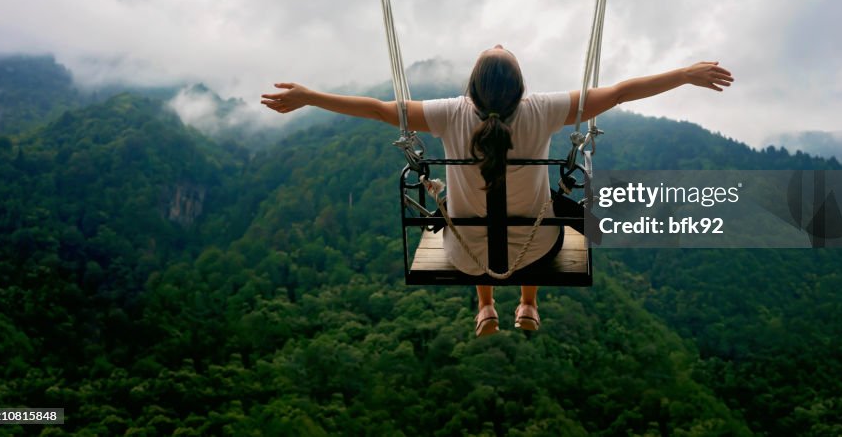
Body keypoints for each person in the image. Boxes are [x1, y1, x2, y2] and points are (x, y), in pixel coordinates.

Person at [262, 45, 733, 337]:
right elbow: (620, 92)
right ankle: (528, 304)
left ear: (472, 87)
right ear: (520, 86)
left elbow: (381, 110)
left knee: (463, 215)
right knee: (546, 210)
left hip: (468, 254)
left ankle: (485, 309)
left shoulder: (448, 113)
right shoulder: (543, 110)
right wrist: (683, 75)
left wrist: (310, 97)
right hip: (536, 249)